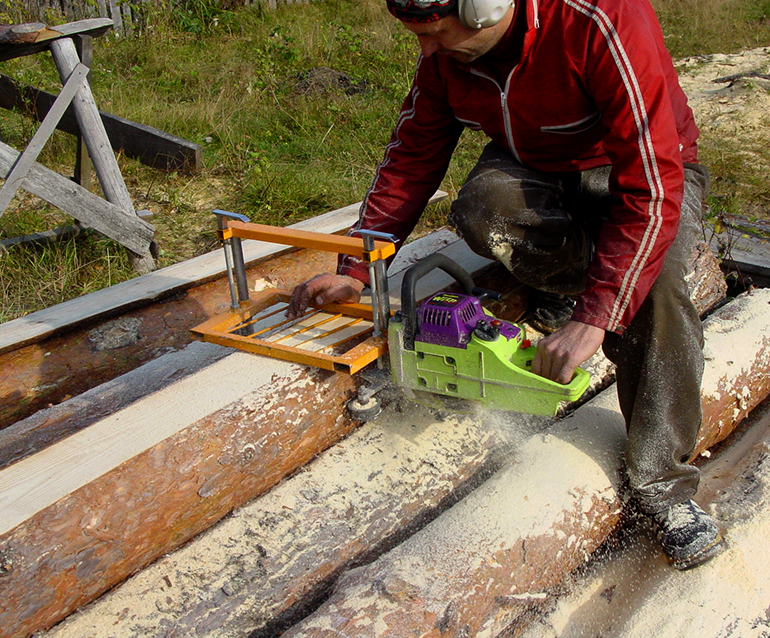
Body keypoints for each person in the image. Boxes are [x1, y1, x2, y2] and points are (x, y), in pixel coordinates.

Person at [287, 0, 724, 570]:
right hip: (537, 166)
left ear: (485, 6)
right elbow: (411, 155)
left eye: (436, 34)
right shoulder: (446, 58)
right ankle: (568, 285)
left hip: (644, 171)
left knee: (655, 288)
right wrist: (356, 269)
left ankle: (663, 488)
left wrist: (599, 313)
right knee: (484, 209)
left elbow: (652, 184)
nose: (426, 51)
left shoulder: (598, 21)